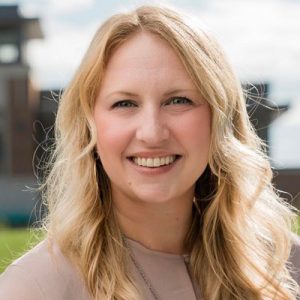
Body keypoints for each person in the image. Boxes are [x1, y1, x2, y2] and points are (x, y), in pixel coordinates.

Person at [0, 4, 299, 300]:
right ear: (90, 127)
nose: (152, 133)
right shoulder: (32, 288)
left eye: (178, 100)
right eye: (125, 104)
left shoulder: (286, 265)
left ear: (219, 119)